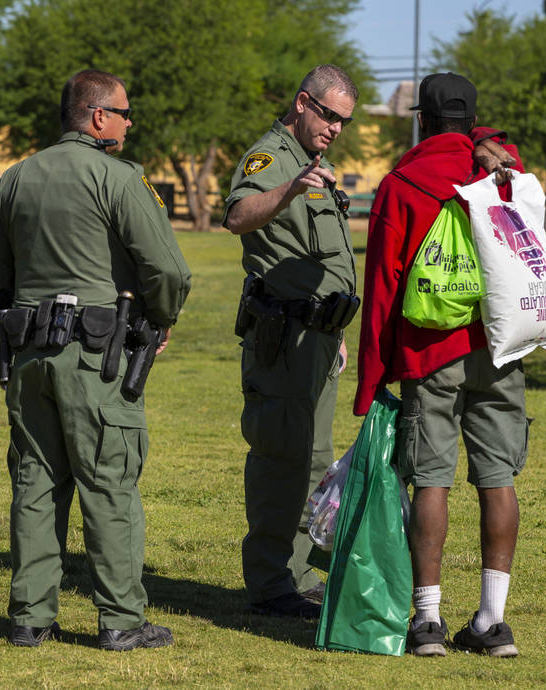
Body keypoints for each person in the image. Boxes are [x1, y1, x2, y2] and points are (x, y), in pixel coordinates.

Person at [0, 69, 192, 651]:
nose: (128, 122)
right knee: (109, 481)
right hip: (99, 359)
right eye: (123, 112)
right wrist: (161, 319)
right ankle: (121, 620)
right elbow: (167, 270)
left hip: (30, 357)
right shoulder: (119, 178)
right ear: (97, 117)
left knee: (35, 481)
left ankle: (30, 617)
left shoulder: (15, 178)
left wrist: (7, 337)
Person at [354, 72, 526, 658]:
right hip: (502, 342)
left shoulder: (402, 183)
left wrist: (372, 381)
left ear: (421, 121)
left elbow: (382, 286)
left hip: (432, 348)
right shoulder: (504, 171)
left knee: (431, 477)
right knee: (497, 477)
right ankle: (492, 621)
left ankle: (427, 620)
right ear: (473, 121)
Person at [223, 64, 361, 618]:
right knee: (281, 458)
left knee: (313, 461)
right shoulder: (271, 159)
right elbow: (237, 216)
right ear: (303, 103)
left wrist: (336, 328)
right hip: (282, 338)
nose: (335, 129)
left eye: (344, 122)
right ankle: (269, 583)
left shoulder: (312, 163)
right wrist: (288, 188)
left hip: (319, 337)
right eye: (329, 116)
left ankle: (298, 576)